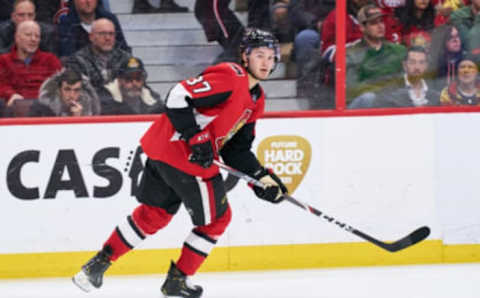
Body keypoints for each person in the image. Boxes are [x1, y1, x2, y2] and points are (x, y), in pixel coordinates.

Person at [72, 28, 288, 298]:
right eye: (259, 55)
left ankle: (96, 266)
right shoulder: (231, 76)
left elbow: (236, 149)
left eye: (271, 57)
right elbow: (177, 96)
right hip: (184, 158)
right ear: (245, 57)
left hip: (164, 152)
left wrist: (261, 178)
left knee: (154, 214)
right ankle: (177, 281)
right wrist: (195, 137)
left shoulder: (257, 100)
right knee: (218, 220)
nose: (266, 63)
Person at [346, 4, 406, 107]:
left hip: (391, 103)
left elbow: (403, 84)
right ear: (362, 27)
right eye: (373, 23)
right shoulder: (352, 54)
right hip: (363, 110)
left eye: (381, 21)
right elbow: (352, 90)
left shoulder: (398, 50)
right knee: (368, 98)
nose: (380, 26)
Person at [0, 20, 62, 107]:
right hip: (13, 109)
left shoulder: (50, 60)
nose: (33, 39)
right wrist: (10, 94)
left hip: (44, 109)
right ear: (17, 38)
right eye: (28, 35)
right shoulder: (3, 60)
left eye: (37, 36)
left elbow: (60, 85)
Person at [64, 18, 131, 93]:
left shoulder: (126, 58)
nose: (107, 38)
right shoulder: (77, 60)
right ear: (91, 37)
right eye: (102, 33)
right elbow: (78, 91)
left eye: (111, 34)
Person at [372, 46, 441, 107]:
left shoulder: (436, 93)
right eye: (412, 62)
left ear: (426, 66)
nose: (417, 67)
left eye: (421, 62)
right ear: (404, 65)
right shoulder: (390, 89)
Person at [58, 0, 131, 57]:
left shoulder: (109, 19)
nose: (88, 1)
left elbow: (123, 48)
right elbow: (68, 56)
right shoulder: (66, 23)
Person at [99, 57, 165, 115]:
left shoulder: (153, 99)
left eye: (138, 79)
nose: (134, 83)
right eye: (128, 79)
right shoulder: (104, 98)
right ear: (119, 80)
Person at [28, 68, 101, 116]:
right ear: (59, 90)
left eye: (76, 90)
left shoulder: (88, 106)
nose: (72, 95)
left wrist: (79, 119)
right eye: (67, 89)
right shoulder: (42, 108)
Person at [428, 24, 465, 91]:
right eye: (450, 37)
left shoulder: (467, 60)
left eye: (457, 36)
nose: (456, 40)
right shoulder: (434, 64)